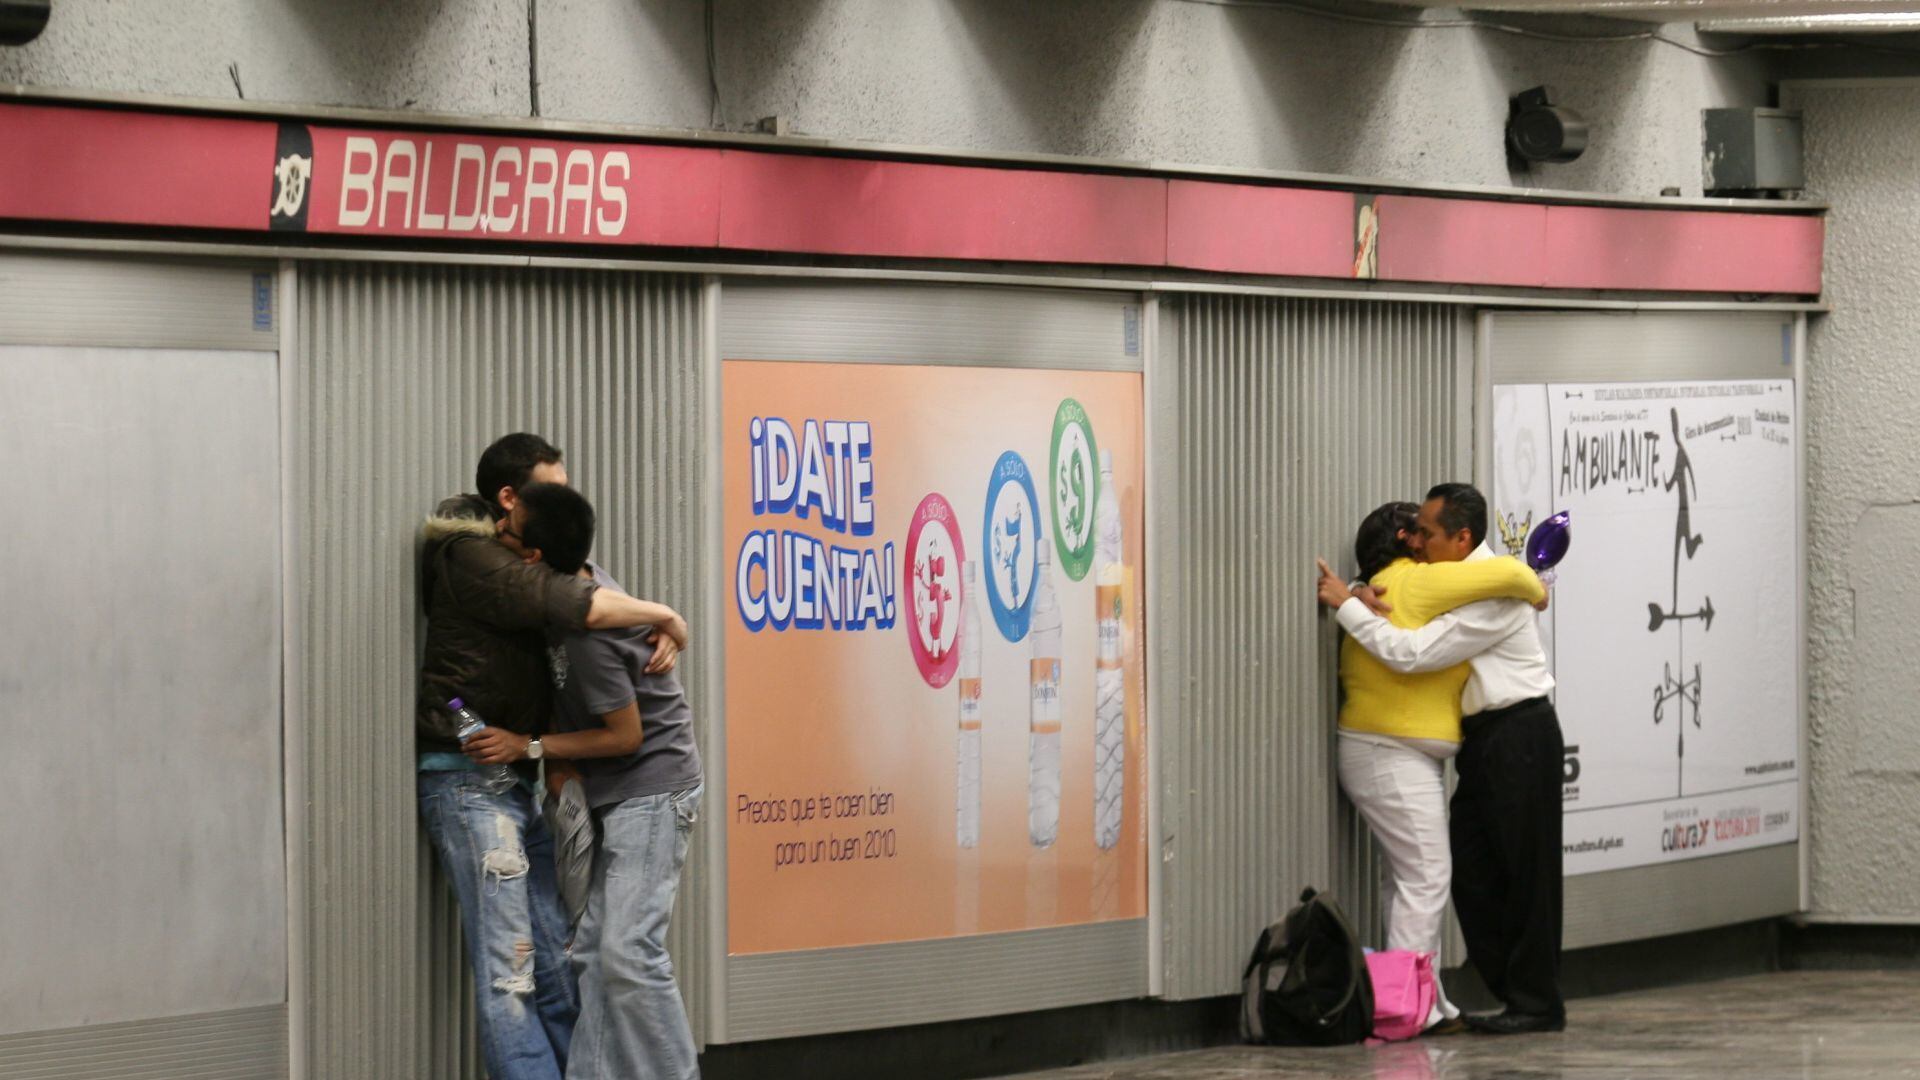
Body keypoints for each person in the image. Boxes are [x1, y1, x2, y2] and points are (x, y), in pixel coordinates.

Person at [416, 433, 691, 1080]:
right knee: (520, 973)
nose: (564, 499)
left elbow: (580, 608)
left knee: (568, 960)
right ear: (511, 502)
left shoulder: (546, 568)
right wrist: (668, 615)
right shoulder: (472, 555)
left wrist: (534, 752)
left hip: (515, 783)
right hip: (471, 783)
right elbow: (571, 603)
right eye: (551, 491)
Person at [1330, 483, 1567, 1035]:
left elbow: (1415, 651)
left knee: (1525, 875)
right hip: (1484, 741)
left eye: (1428, 534)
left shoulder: (1496, 595)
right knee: (1470, 872)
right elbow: (1401, 590)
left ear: (1462, 539)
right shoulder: (1455, 579)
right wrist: (1366, 587)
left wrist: (1348, 605)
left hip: (1519, 732)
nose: (1417, 542)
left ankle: (1535, 1003)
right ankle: (1491, 992)